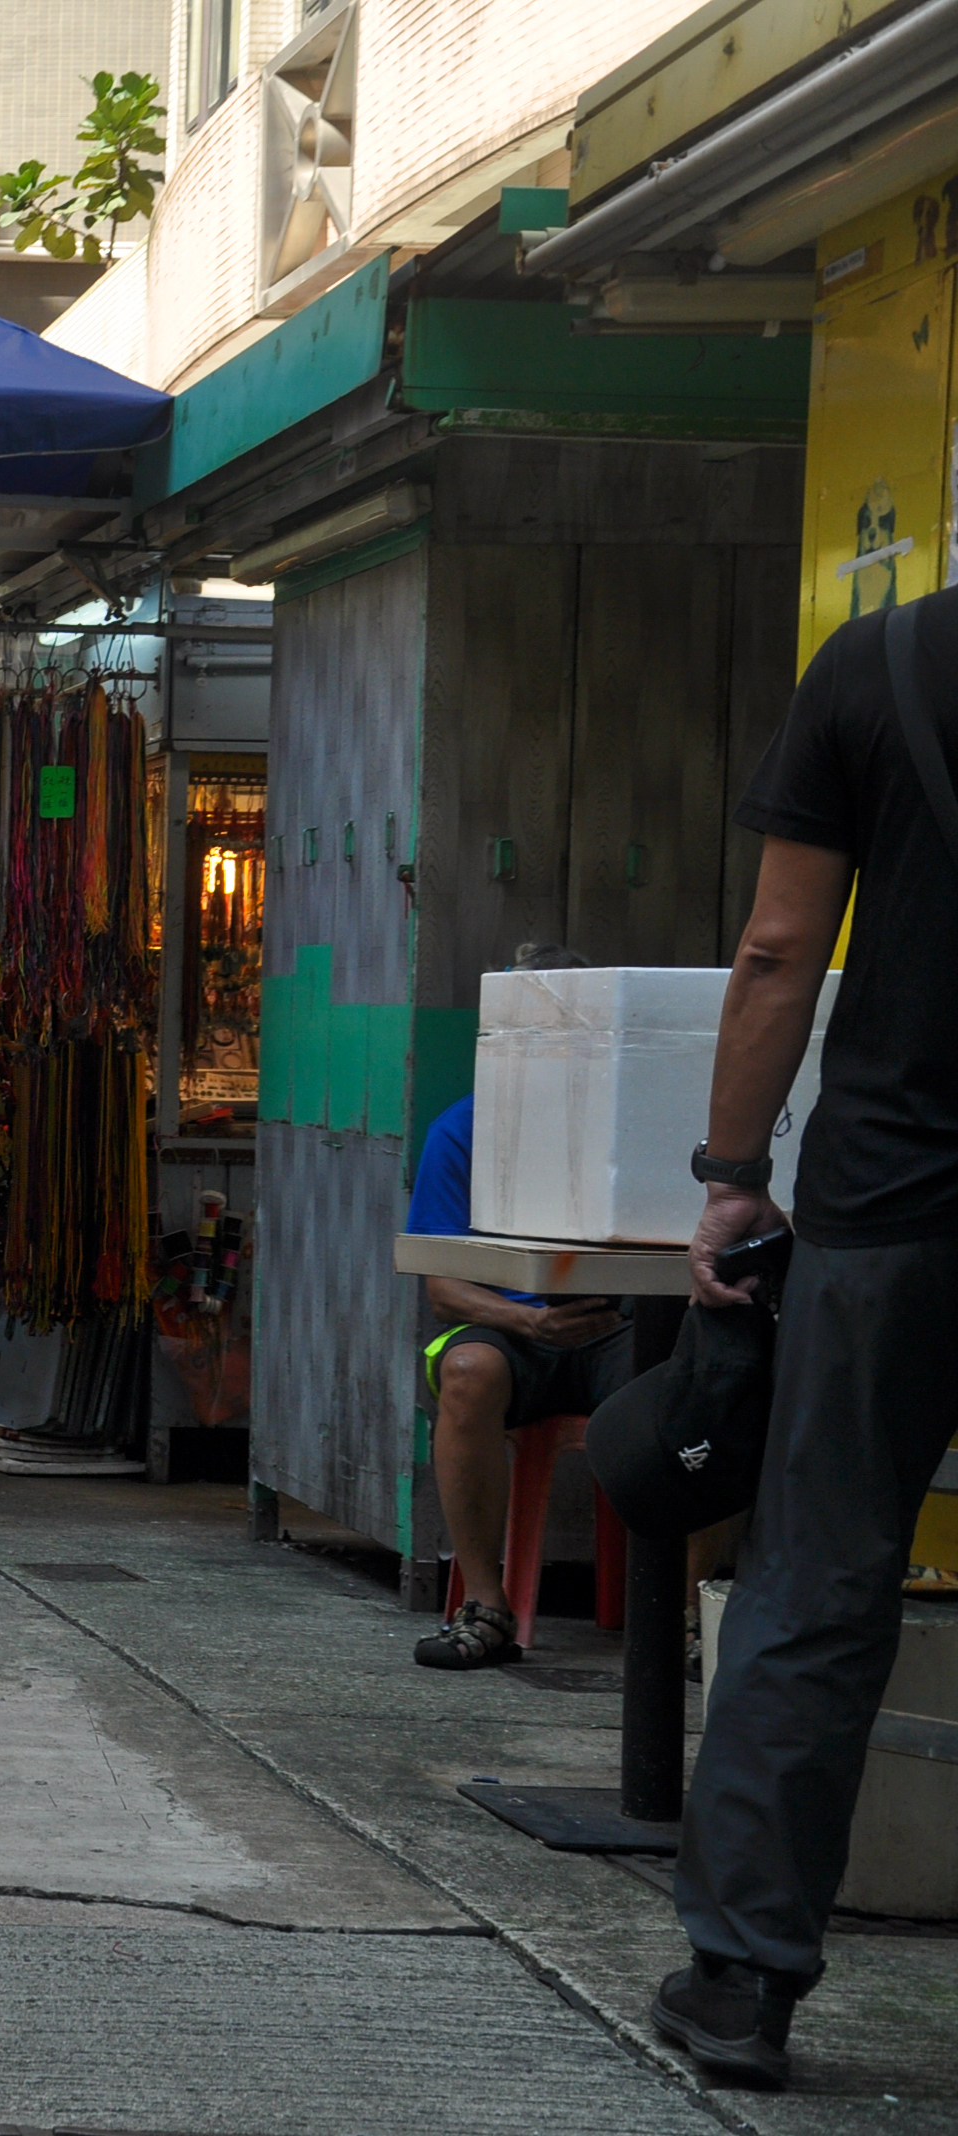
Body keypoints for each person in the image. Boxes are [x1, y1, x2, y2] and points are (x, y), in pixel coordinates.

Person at [648, 588, 958, 2090]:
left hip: (891, 1212)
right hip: (889, 1213)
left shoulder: (881, 662)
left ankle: (742, 1983)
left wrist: (727, 1178)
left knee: (821, 1582)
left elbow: (781, 948)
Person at [405, 994, 631, 1671]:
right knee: (469, 1373)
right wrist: (529, 1318)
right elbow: (443, 1288)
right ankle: (486, 1606)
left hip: (610, 1325)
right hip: (508, 1329)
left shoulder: (620, 1128)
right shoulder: (461, 1131)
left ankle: (688, 1614)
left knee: (700, 1379)